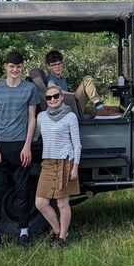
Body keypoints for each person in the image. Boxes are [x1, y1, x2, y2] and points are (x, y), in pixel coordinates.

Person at [0, 51, 40, 248]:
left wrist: (27, 146)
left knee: (23, 191)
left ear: (22, 67)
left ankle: (24, 233)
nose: (15, 70)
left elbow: (32, 118)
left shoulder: (30, 89)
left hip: (20, 146)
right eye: (11, 66)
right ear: (5, 67)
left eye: (18, 67)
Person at [34, 85, 82, 247]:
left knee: (62, 203)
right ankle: (57, 230)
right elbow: (34, 136)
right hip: (48, 162)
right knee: (40, 202)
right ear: (46, 100)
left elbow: (77, 144)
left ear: (62, 97)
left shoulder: (70, 117)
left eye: (55, 96)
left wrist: (75, 166)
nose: (52, 100)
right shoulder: (41, 117)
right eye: (49, 98)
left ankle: (62, 238)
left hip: (64, 162)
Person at [43, 49, 121, 116]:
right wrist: (72, 94)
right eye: (54, 65)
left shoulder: (61, 78)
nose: (57, 66)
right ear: (48, 66)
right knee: (87, 79)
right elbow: (52, 88)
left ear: (62, 64)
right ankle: (100, 107)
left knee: (115, 109)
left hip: (75, 105)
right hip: (70, 107)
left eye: (59, 63)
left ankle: (101, 108)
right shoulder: (51, 78)